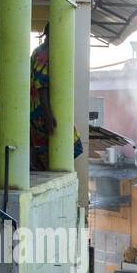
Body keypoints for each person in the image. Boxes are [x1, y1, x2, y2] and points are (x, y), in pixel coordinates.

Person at [29, 26, 83, 171]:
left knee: (46, 151)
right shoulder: (45, 54)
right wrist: (48, 115)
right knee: (69, 146)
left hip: (35, 110)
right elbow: (42, 86)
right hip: (41, 111)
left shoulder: (38, 51)